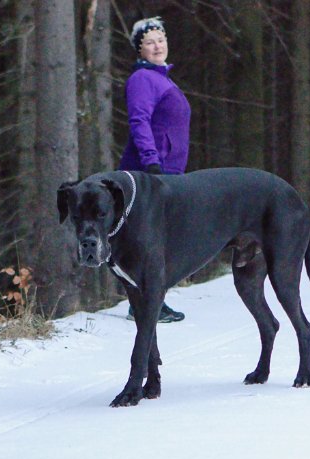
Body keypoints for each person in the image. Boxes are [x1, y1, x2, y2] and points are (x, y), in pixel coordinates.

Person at [120, 16, 190, 323]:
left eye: (160, 39)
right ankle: (145, 304)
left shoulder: (162, 78)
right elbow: (139, 121)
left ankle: (149, 301)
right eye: (149, 42)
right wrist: (151, 162)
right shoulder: (143, 79)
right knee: (150, 240)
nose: (157, 45)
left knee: (160, 238)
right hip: (152, 171)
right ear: (140, 50)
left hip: (168, 170)